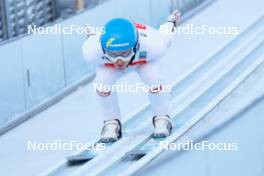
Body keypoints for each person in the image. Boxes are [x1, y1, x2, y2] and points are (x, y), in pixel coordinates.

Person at [82, 10, 181, 143]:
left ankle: (162, 118)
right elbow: (92, 39)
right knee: (102, 83)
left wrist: (170, 22)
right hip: (112, 65)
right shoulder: (92, 51)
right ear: (103, 49)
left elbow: (165, 35)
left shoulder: (154, 44)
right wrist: (92, 36)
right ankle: (111, 123)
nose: (119, 60)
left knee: (154, 79)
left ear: (136, 46)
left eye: (124, 53)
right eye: (113, 53)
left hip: (144, 61)